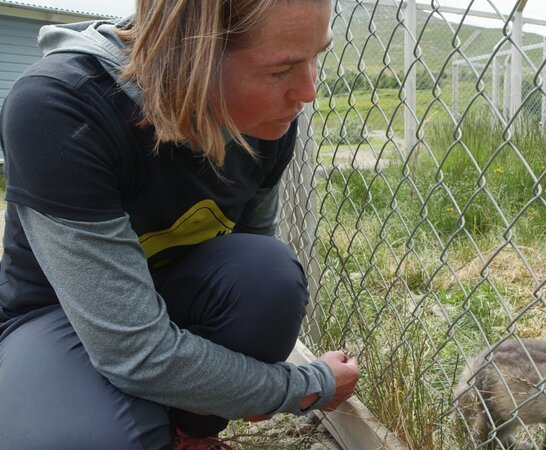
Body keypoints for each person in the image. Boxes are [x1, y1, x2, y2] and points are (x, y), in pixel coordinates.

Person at [0, 0, 359, 448]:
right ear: (194, 56)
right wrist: (305, 386)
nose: (308, 91)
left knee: (268, 276)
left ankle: (188, 433)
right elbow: (133, 350)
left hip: (171, 300)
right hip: (60, 318)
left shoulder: (264, 120)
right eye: (280, 71)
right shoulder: (61, 107)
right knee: (90, 439)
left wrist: (231, 389)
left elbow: (249, 268)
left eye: (315, 56)